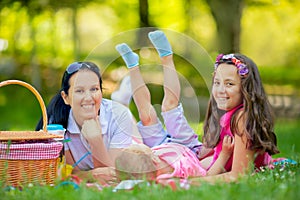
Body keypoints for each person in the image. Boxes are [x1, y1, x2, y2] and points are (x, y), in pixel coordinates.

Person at [114, 31, 233, 181]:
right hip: (186, 147)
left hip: (159, 147)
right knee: (169, 105)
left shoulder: (150, 159)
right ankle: (166, 57)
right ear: (154, 162)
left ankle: (132, 66)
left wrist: (147, 152)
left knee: (146, 116)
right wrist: (225, 155)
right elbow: (207, 175)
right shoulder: (181, 172)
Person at [186, 53, 281, 184]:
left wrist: (187, 184)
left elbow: (239, 175)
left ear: (246, 89)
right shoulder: (225, 115)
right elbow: (214, 158)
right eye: (217, 83)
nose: (220, 90)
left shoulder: (242, 118)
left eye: (229, 84)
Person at [35, 61, 136, 184]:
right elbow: (70, 174)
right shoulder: (57, 125)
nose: (88, 98)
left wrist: (96, 140)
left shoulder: (119, 115)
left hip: (128, 139)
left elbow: (112, 177)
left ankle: (121, 101)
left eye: (94, 89)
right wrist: (91, 175)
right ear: (65, 97)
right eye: (79, 91)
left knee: (141, 145)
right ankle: (120, 99)